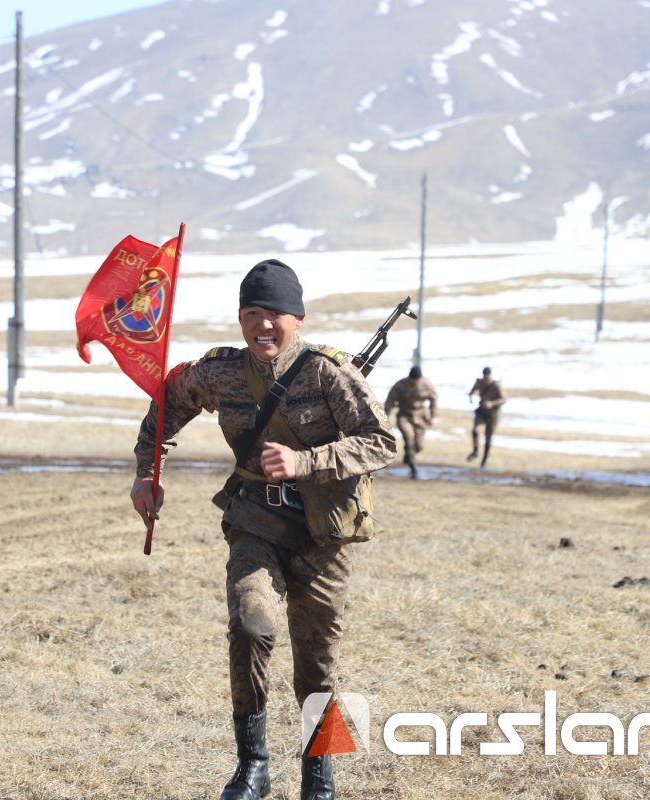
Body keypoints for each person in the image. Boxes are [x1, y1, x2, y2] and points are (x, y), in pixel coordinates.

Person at [130, 259, 396, 800]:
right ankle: (252, 766)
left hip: (324, 533)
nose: (263, 325)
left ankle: (319, 775)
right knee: (251, 628)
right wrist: (146, 472)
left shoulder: (327, 372)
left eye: (275, 314)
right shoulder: (220, 372)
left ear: (298, 319)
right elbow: (168, 402)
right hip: (255, 521)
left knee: (317, 665)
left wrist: (306, 462)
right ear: (240, 319)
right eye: (252, 313)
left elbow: (382, 442)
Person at [384, 366, 437, 479]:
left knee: (419, 446)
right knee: (409, 438)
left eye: (417, 380)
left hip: (420, 416)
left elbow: (434, 400)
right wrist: (386, 416)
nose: (415, 382)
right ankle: (414, 468)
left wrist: (432, 416)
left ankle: (409, 455)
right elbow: (390, 400)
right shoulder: (400, 385)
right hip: (404, 416)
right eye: (413, 379)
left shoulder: (427, 384)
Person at [467, 366, 505, 468]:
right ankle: (475, 451)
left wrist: (492, 404)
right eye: (484, 376)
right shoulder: (479, 382)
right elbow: (472, 391)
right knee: (475, 429)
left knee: (488, 438)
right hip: (481, 410)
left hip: (492, 413)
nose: (486, 378)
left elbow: (503, 399)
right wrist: (470, 397)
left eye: (487, 376)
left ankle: (484, 460)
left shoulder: (496, 385)